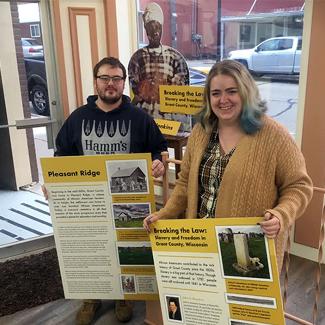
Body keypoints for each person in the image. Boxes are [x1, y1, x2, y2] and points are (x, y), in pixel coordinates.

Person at [144, 59, 313, 273]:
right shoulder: (201, 132)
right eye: (216, 93)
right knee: (205, 305)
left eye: (231, 91)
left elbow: (299, 186)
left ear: (246, 92)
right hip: (201, 245)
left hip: (248, 252)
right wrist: (164, 214)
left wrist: (281, 215)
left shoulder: (274, 135)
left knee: (245, 306)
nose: (223, 100)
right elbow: (185, 183)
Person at [54, 56, 167, 324]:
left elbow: (158, 148)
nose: (111, 84)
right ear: (96, 82)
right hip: (88, 200)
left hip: (128, 200)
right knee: (92, 249)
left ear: (123, 83)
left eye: (117, 79)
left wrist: (159, 162)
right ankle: (91, 297)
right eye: (105, 78)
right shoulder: (77, 119)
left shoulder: (140, 118)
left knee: (124, 247)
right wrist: (55, 184)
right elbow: (62, 155)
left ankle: (123, 295)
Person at [128, 2, 191, 131]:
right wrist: (149, 88)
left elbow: (180, 93)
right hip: (144, 120)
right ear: (145, 30)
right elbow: (136, 89)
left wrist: (156, 88)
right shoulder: (137, 57)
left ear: (162, 28)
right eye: (151, 28)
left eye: (158, 28)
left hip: (170, 122)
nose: (155, 33)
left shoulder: (175, 56)